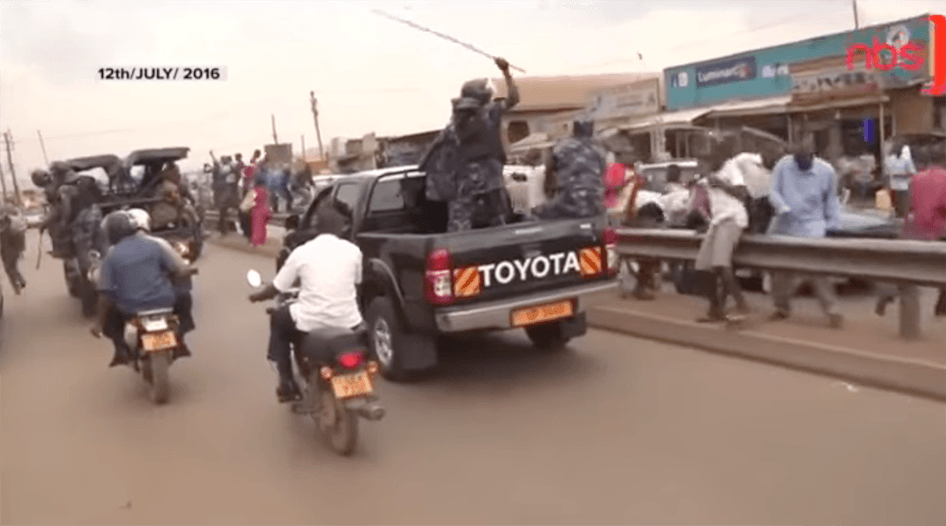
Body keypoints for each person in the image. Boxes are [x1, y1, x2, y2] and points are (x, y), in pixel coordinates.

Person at [249, 202, 363, 402]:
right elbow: (357, 281)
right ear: (340, 227)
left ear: (316, 227)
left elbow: (277, 287)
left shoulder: (302, 252)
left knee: (279, 319)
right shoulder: (354, 251)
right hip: (349, 321)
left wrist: (257, 296)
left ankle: (287, 383)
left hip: (312, 321)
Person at [90, 211, 197, 366]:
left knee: (111, 314)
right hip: (165, 301)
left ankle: (120, 349)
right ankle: (181, 338)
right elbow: (179, 270)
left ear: (110, 233)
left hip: (131, 308)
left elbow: (105, 295)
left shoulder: (111, 255)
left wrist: (98, 324)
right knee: (185, 296)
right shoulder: (156, 244)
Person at [768, 139, 843, 328]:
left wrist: (832, 225)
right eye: (797, 157)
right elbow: (773, 191)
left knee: (818, 271)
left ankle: (832, 310)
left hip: (813, 225)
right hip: (786, 224)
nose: (799, 162)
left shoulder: (826, 171)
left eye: (803, 158)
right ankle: (782, 307)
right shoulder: (783, 165)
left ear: (812, 155)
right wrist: (782, 207)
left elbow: (831, 200)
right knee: (781, 271)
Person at [447, 57, 520, 232]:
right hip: (490, 171)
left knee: (461, 220)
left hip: (467, 173)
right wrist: (506, 72)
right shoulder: (490, 111)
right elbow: (513, 98)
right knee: (497, 216)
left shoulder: (458, 117)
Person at [876, 145, 946, 317]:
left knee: (906, 270)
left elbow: (909, 206)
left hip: (914, 229)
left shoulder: (917, 178)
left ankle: (888, 293)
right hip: (938, 231)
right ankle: (941, 308)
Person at [693, 139, 751, 323]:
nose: (706, 161)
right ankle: (715, 308)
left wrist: (721, 184)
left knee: (720, 264)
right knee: (702, 267)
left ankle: (742, 304)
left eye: (709, 158)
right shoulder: (708, 173)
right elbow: (699, 201)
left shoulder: (731, 168)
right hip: (717, 222)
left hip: (732, 218)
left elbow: (742, 193)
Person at [532, 118, 607, 220]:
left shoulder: (562, 146)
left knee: (534, 212)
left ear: (574, 130)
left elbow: (548, 173)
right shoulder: (600, 150)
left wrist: (549, 192)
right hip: (595, 207)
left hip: (568, 205)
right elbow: (603, 175)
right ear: (592, 130)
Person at [884, 139, 917, 218]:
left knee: (901, 209)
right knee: (899, 209)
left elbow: (913, 173)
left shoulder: (890, 159)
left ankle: (900, 221)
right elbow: (913, 173)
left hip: (899, 187)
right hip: (899, 187)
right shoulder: (891, 159)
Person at [0, 204, 27, 294]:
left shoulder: (7, 228)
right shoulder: (12, 225)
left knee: (9, 269)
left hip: (8, 251)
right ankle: (20, 281)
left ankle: (17, 287)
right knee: (13, 268)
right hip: (12, 250)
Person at [251, 177, 272, 247]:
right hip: (267, 209)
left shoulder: (255, 191)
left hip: (258, 210)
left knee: (258, 226)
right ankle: (263, 240)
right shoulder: (266, 190)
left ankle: (257, 242)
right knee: (263, 226)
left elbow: (253, 199)